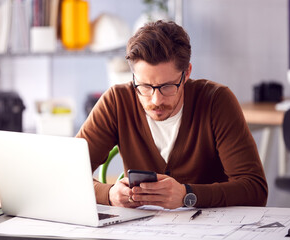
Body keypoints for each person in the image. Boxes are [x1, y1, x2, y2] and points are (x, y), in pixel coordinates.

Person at [76, 20, 268, 209]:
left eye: (167, 86)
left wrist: (188, 194)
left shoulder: (216, 101)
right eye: (144, 87)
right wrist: (108, 194)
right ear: (133, 78)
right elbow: (65, 175)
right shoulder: (116, 102)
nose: (156, 100)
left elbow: (255, 190)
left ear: (186, 74)